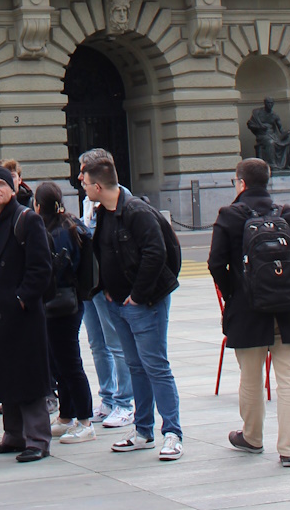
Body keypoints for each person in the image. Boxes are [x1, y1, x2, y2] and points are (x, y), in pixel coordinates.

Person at [208, 156, 290, 467]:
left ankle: (252, 437)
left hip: (247, 310)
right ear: (267, 181)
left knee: (251, 378)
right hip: (286, 310)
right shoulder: (289, 215)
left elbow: (216, 264)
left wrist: (236, 293)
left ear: (241, 183)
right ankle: (289, 449)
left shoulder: (229, 216)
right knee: (288, 381)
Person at [84, 155, 183, 461]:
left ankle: (173, 433)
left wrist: (138, 295)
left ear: (98, 186)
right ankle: (143, 430)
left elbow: (158, 253)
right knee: (135, 365)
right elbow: (101, 254)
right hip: (119, 304)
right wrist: (106, 291)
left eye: (85, 182)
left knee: (156, 365)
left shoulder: (137, 212)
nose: (82, 185)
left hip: (145, 304)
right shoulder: (104, 213)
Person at [0, 165, 54, 460]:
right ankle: (13, 435)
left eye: (0, 185)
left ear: (13, 189)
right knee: (5, 377)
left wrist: (21, 300)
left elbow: (41, 269)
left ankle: (38, 440)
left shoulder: (27, 220)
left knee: (28, 378)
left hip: (22, 317)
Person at [34, 181, 96, 443]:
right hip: (72, 300)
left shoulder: (55, 231)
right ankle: (66, 416)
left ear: (39, 205)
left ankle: (84, 420)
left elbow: (53, 270)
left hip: (61, 303)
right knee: (60, 362)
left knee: (69, 363)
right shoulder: (71, 224)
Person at [77, 151, 135, 429]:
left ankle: (125, 403)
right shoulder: (90, 200)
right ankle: (108, 398)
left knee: (116, 344)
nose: (79, 178)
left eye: (83, 172)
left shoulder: (120, 201)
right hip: (91, 282)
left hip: (107, 284)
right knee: (97, 344)